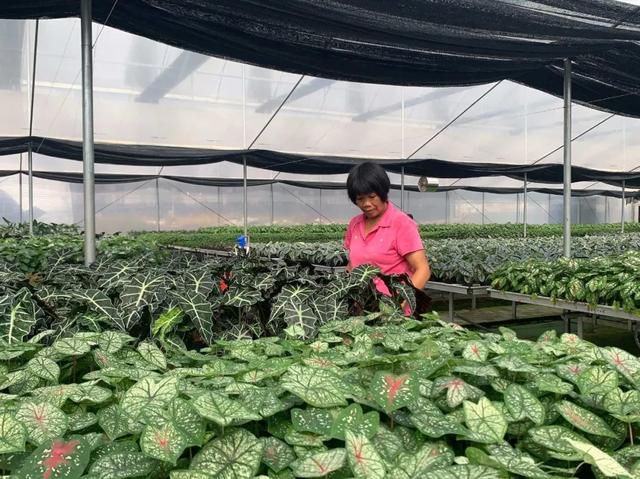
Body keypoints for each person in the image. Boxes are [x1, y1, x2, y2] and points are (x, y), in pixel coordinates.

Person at [343, 162, 431, 307]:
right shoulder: (355, 224)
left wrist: (400, 307)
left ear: (383, 192)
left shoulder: (401, 223)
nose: (366, 204)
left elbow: (423, 270)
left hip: (392, 310)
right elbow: (352, 265)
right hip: (361, 309)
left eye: (372, 196)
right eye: (360, 199)